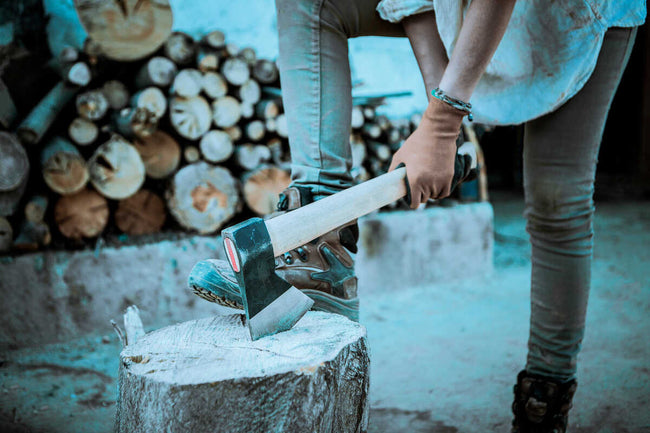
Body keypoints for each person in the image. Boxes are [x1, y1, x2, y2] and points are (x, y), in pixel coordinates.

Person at [189, 1, 645, 431]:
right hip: (463, 11)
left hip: (574, 15)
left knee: (556, 200)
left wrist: (442, 123)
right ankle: (319, 249)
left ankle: (543, 402)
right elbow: (415, 0)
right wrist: (445, 121)